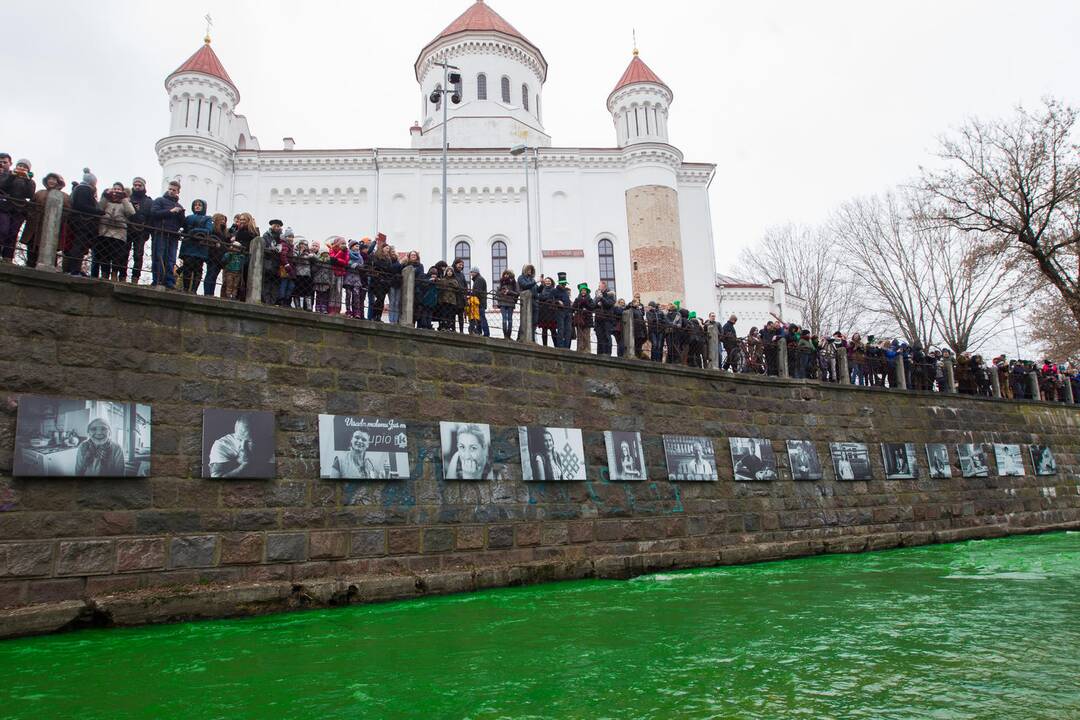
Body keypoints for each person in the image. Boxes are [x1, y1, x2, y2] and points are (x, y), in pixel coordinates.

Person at [20, 172, 68, 268]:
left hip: (53, 228)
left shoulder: (65, 196)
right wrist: (32, 215)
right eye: (49, 179)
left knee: (51, 252)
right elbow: (30, 207)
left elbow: (68, 212)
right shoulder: (39, 193)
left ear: (58, 182)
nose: (51, 181)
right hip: (35, 227)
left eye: (54, 179)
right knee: (32, 251)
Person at [66, 168, 104, 276]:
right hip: (82, 222)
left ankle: (76, 268)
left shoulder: (79, 189)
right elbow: (81, 206)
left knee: (80, 246)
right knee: (78, 246)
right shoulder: (84, 189)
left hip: (80, 221)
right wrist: (97, 211)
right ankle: (74, 269)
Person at [94, 182, 135, 280]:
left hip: (119, 234)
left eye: (119, 189)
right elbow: (99, 209)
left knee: (117, 257)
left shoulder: (125, 202)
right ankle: (104, 275)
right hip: (105, 232)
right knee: (104, 256)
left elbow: (131, 212)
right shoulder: (106, 200)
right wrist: (105, 197)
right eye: (115, 188)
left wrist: (124, 199)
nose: (116, 191)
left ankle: (114, 275)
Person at [149, 180, 185, 288]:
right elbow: (154, 213)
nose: (171, 191)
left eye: (174, 190)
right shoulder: (160, 200)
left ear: (178, 191)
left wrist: (181, 214)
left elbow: (182, 223)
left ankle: (170, 281)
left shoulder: (179, 205)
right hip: (161, 232)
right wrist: (170, 211)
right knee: (159, 256)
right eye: (170, 189)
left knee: (171, 259)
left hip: (173, 235)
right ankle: (157, 280)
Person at [0, 158, 35, 261]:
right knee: (3, 230)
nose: (22, 168)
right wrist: (12, 176)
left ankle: (8, 257)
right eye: (20, 165)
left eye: (24, 167)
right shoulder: (7, 175)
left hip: (19, 210)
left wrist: (28, 180)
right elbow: (3, 186)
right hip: (5, 207)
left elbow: (30, 194)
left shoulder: (30, 181)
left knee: (13, 233)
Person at [122, 177, 153, 283]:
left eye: (139, 185)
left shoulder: (149, 201)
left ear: (144, 186)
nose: (137, 187)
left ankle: (135, 278)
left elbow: (150, 218)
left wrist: (147, 231)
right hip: (127, 229)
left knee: (138, 255)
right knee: (124, 253)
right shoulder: (127, 198)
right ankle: (122, 276)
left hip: (141, 231)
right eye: (135, 185)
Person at [179, 198, 212, 293]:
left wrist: (195, 231)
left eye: (199, 205)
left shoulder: (207, 218)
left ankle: (194, 289)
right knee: (187, 269)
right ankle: (185, 288)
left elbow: (209, 230)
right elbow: (183, 227)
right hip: (188, 246)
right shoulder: (189, 217)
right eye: (195, 205)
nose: (197, 206)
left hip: (200, 248)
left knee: (198, 270)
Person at [203, 213, 230, 296]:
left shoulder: (224, 232)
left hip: (220, 257)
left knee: (214, 276)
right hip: (213, 256)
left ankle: (211, 292)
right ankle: (208, 292)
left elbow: (226, 242)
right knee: (210, 274)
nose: (223, 222)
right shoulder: (213, 230)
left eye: (224, 220)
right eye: (221, 220)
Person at [260, 219, 284, 304]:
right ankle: (266, 300)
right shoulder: (266, 235)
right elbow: (264, 247)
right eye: (276, 226)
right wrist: (271, 249)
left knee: (275, 284)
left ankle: (273, 301)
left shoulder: (281, 237)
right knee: (267, 283)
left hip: (277, 264)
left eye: (278, 226)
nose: (277, 228)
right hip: (268, 263)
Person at [342, 239, 365, 318]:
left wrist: (358, 266)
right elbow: (346, 261)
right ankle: (348, 311)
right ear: (351, 247)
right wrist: (351, 264)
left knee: (356, 295)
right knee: (348, 294)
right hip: (348, 277)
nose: (357, 247)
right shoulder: (348, 254)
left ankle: (356, 312)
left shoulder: (360, 256)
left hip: (356, 278)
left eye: (358, 246)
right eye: (356, 246)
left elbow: (362, 265)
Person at [516, 264, 538, 341]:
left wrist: (541, 285)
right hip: (527, 301)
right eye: (528, 270)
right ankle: (520, 337)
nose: (530, 271)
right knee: (525, 319)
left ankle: (532, 337)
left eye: (531, 270)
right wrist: (535, 282)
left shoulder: (532, 279)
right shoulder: (521, 277)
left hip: (534, 301)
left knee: (535, 321)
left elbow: (536, 290)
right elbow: (525, 285)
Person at [276, 228, 297, 306]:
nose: (291, 238)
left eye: (292, 237)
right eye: (289, 236)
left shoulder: (292, 246)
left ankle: (287, 300)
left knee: (291, 285)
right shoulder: (284, 244)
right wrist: (286, 265)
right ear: (285, 237)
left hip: (291, 268)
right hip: (285, 268)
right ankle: (281, 299)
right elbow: (283, 255)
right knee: (284, 283)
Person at [594, 281, 616, 356]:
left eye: (600, 286)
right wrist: (597, 302)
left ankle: (607, 353)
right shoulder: (597, 294)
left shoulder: (611, 294)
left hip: (607, 319)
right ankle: (600, 353)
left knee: (607, 336)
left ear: (604, 287)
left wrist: (602, 298)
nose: (598, 287)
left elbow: (609, 304)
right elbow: (593, 305)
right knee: (599, 336)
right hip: (598, 319)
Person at [495, 269, 518, 338]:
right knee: (504, 319)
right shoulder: (501, 283)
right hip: (502, 303)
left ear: (510, 275)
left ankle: (509, 336)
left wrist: (509, 292)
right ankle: (505, 336)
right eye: (505, 274)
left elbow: (517, 293)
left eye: (507, 274)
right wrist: (502, 292)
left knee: (510, 319)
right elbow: (497, 294)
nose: (506, 275)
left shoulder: (513, 283)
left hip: (510, 303)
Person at [536, 276, 558, 346]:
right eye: (546, 281)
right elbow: (539, 297)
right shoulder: (542, 289)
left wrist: (545, 298)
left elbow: (554, 299)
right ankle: (544, 345)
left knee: (553, 330)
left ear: (551, 282)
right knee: (544, 330)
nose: (547, 282)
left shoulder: (554, 290)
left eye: (549, 281)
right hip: (543, 312)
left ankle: (556, 345)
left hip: (552, 312)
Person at [552, 272, 572, 348]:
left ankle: (566, 346)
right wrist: (557, 302)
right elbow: (549, 300)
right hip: (560, 312)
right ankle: (560, 346)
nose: (564, 285)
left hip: (568, 312)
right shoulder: (554, 291)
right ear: (559, 283)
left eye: (565, 284)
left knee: (568, 330)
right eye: (562, 284)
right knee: (561, 329)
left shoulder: (566, 291)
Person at [469, 266, 490, 337]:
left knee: (481, 317)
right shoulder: (478, 279)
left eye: (472, 272)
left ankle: (486, 333)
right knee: (479, 318)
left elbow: (477, 292)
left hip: (480, 303)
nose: (471, 274)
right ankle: (480, 332)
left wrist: (470, 294)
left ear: (475, 272)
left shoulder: (479, 280)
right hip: (480, 302)